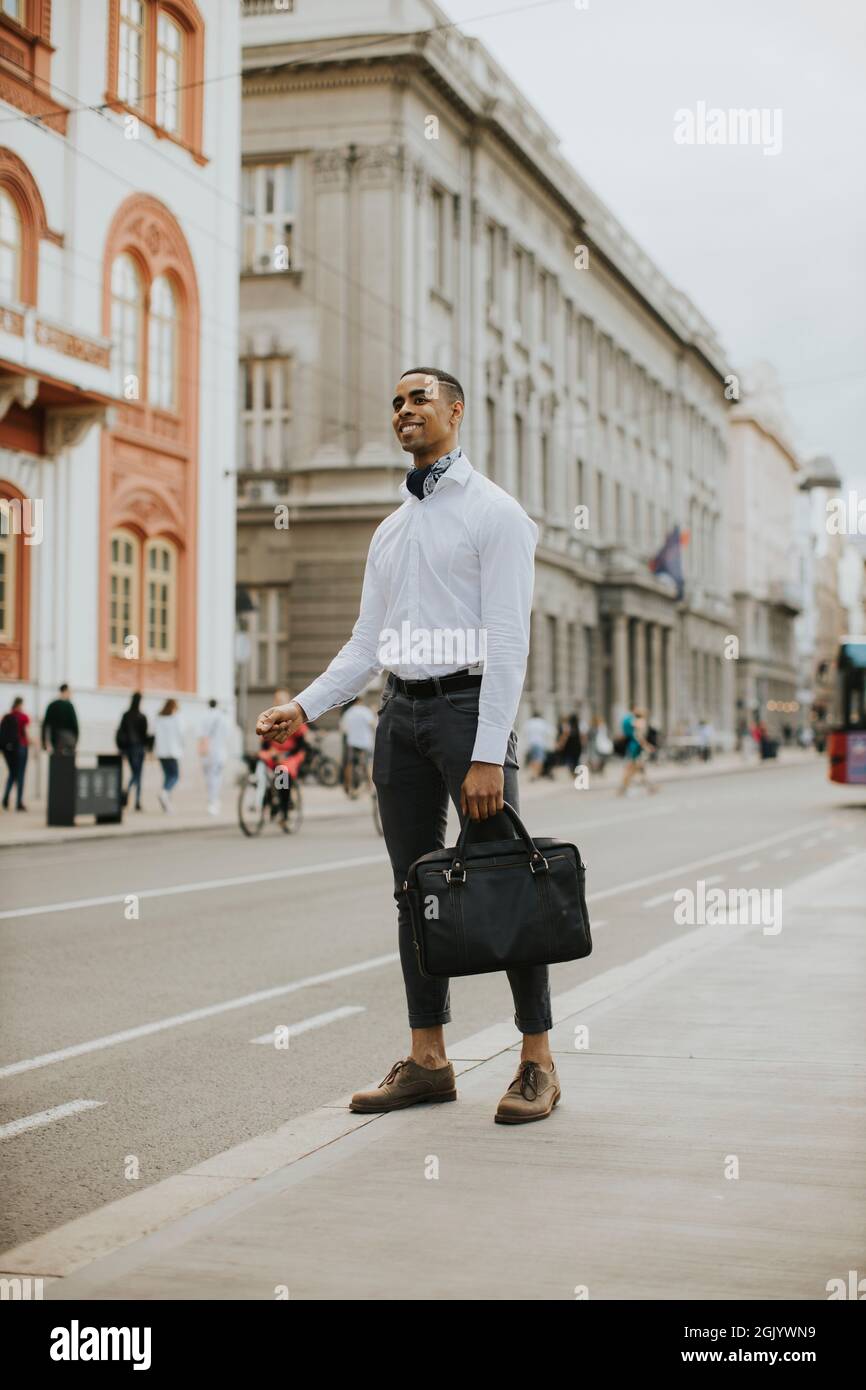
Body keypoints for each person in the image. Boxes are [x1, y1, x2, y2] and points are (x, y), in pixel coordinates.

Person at [256, 366, 559, 1125]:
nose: (404, 411)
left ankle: (538, 1063)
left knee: (503, 880)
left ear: (456, 411)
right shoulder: (392, 529)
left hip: (467, 710)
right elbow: (368, 643)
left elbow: (509, 641)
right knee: (413, 891)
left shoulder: (495, 513)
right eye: (394, 402)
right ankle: (429, 1061)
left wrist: (489, 750)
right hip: (401, 716)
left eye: (419, 398)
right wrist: (305, 704)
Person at [116, 692, 148, 811]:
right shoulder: (141, 716)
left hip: (128, 748)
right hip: (138, 748)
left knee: (136, 773)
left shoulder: (126, 715)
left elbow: (121, 731)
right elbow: (144, 735)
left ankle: (131, 795)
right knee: (138, 774)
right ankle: (134, 798)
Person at [617, 705, 658, 796]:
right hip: (636, 747)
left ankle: (649, 787)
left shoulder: (627, 719)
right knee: (633, 768)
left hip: (633, 746)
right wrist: (647, 746)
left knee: (637, 769)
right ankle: (623, 789)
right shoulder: (635, 721)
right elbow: (638, 736)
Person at [339, 696, 376, 794]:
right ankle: (370, 786)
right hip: (366, 742)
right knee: (368, 764)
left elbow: (343, 729)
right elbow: (373, 724)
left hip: (353, 742)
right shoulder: (366, 711)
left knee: (350, 764)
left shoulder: (348, 713)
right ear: (360, 701)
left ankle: (348, 786)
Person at [198, 699, 228, 816]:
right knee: (216, 777)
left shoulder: (204, 716)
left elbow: (200, 735)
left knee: (208, 777)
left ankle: (211, 800)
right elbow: (227, 734)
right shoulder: (222, 717)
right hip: (219, 752)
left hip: (207, 751)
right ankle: (214, 801)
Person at [1, 695, 31, 811]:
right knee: (20, 775)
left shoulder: (7, 716)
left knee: (12, 774)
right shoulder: (23, 717)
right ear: (20, 705)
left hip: (10, 750)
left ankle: (5, 798)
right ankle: (19, 802)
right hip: (21, 747)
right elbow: (25, 733)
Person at [154, 698, 183, 812]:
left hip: (161, 752)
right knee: (175, 776)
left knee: (167, 776)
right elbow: (181, 734)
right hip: (172, 751)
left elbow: (153, 733)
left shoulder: (159, 718)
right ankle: (165, 793)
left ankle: (166, 803)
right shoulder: (176, 718)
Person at [41, 683, 78, 754]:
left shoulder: (52, 705)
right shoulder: (69, 706)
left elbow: (45, 724)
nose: (70, 694)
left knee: (57, 762)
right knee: (68, 762)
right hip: (69, 739)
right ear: (65, 691)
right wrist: (76, 739)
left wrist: (44, 742)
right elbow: (75, 724)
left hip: (56, 739)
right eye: (69, 692)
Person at [521, 710, 556, 782]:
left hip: (530, 744)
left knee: (533, 759)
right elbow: (551, 732)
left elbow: (524, 733)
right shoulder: (543, 723)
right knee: (539, 759)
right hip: (540, 744)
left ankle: (533, 773)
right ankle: (535, 774)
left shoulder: (528, 723)